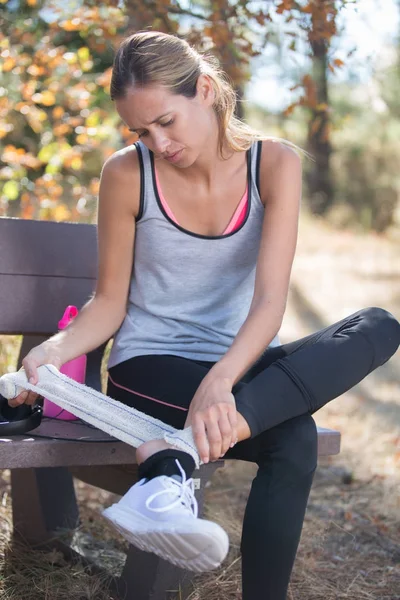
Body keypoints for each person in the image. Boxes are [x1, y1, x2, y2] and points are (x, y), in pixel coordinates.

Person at [11, 31, 400, 599]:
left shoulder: (275, 164)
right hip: (149, 368)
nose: (158, 141)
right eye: (142, 130)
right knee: (293, 437)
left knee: (379, 327)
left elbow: (270, 302)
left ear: (207, 91)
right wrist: (53, 349)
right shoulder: (127, 174)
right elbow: (111, 303)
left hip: (231, 367)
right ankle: (175, 470)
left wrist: (220, 382)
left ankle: (173, 462)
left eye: (166, 121)